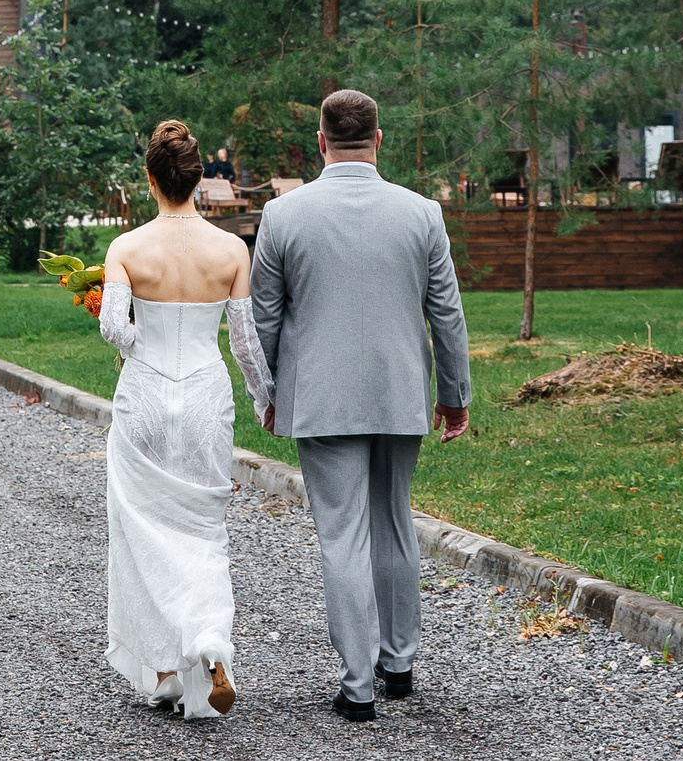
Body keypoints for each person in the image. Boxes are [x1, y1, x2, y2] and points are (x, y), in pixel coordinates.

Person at [250, 88, 470, 722]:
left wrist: (268, 395)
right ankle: (398, 663)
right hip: (400, 391)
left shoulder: (283, 216)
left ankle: (357, 686)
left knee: (341, 535)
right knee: (395, 522)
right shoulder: (423, 213)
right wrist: (453, 396)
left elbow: (265, 317)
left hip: (320, 397)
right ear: (379, 139)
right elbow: (446, 315)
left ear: (321, 142)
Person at [97, 120, 274, 719]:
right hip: (203, 393)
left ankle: (168, 671)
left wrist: (137, 337)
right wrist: (264, 399)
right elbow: (246, 344)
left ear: (151, 179)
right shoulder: (230, 250)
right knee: (203, 527)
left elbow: (113, 328)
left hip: (143, 394)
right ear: (200, 180)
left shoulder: (125, 248)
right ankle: (209, 644)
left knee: (141, 529)